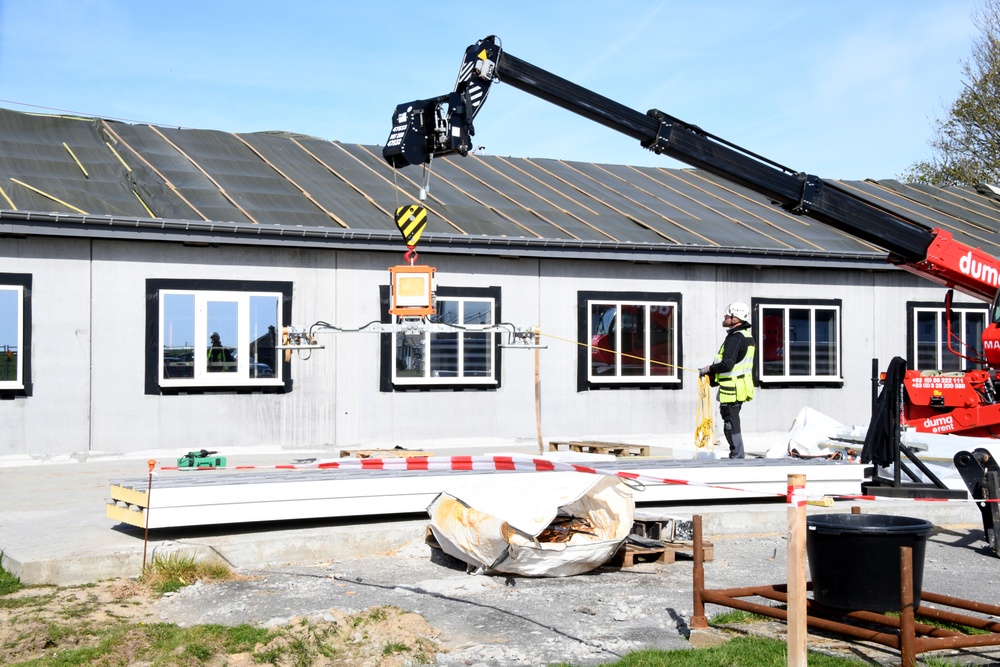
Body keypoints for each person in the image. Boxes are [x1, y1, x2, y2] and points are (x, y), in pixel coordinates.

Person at [699, 302, 756, 459]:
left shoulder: (735, 338)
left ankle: (737, 455)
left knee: (730, 423)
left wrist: (709, 369)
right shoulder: (746, 336)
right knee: (732, 420)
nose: (724, 317)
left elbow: (728, 364)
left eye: (727, 315)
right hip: (740, 386)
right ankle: (737, 454)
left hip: (732, 389)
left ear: (735, 318)